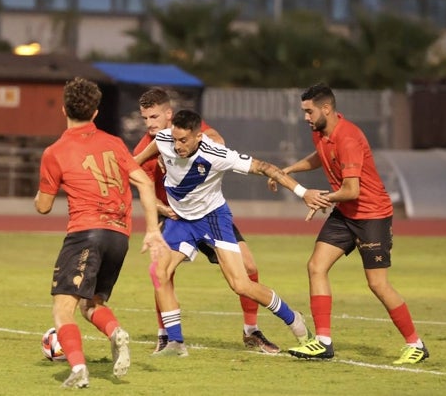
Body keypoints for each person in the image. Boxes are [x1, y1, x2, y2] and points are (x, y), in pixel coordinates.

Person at [134, 109, 327, 357]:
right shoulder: (163, 140)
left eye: (184, 141)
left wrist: (303, 192)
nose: (177, 146)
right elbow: (135, 163)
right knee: (159, 272)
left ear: (198, 137)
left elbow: (265, 167)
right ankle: (175, 342)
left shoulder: (217, 154)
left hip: (213, 219)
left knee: (241, 284)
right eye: (175, 139)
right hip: (180, 219)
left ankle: (294, 321)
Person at [269, 83, 428, 364]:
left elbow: (352, 190)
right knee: (316, 266)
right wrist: (289, 169)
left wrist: (320, 198)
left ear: (326, 109)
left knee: (377, 284)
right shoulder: (321, 132)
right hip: (345, 213)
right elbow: (321, 157)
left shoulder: (349, 138)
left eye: (309, 111)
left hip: (372, 214)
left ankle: (415, 344)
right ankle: (323, 342)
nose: (305, 117)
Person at [34, 77, 167, 388]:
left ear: (64, 108)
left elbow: (43, 207)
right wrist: (151, 230)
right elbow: (146, 184)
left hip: (86, 233)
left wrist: (39, 195)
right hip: (119, 236)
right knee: (90, 303)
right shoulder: (114, 143)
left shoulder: (55, 151)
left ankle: (78, 369)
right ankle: (115, 332)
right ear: (95, 113)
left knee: (63, 308)